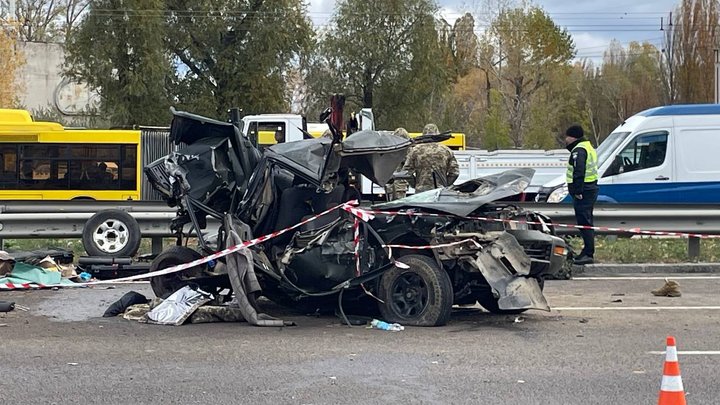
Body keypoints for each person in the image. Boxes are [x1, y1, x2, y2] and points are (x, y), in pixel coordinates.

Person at [564, 124, 599, 265]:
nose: (565, 140)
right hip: (590, 188)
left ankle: (588, 253)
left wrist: (577, 191)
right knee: (586, 222)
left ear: (572, 137)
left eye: (566, 136)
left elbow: (579, 172)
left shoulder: (579, 150)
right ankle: (586, 251)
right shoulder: (588, 147)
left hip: (584, 191)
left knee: (585, 222)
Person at [402, 123, 459, 193]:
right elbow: (455, 172)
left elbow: (406, 171)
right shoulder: (446, 150)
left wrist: (415, 184)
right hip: (440, 192)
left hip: (421, 192)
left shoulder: (415, 150)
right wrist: (445, 184)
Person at [385, 127, 411, 200]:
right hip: (400, 183)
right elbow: (408, 163)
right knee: (400, 205)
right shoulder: (406, 148)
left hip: (390, 181)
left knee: (390, 205)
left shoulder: (389, 148)